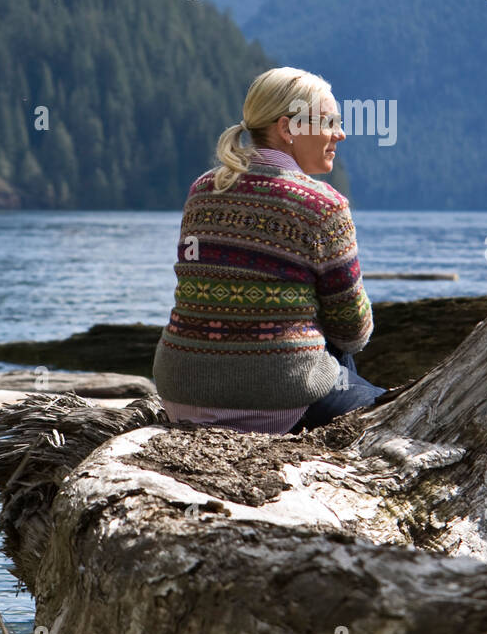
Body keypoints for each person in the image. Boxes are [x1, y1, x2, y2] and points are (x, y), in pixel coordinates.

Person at [153, 67, 386, 434]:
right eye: (329, 122)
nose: (340, 133)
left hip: (182, 392)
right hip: (277, 401)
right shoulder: (322, 205)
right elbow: (353, 332)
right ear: (287, 128)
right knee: (391, 407)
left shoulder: (203, 189)